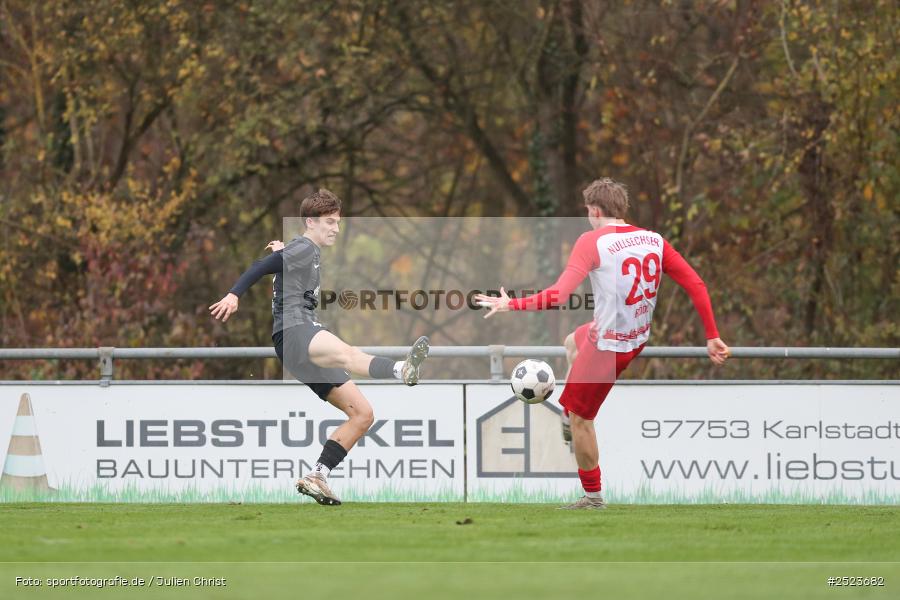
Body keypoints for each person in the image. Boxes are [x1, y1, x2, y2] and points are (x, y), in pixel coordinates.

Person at [475, 178, 729, 510]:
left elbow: (558, 295)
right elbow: (695, 283)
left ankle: (592, 496)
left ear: (594, 210)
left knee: (582, 419)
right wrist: (712, 335)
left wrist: (513, 304)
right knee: (572, 341)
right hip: (633, 337)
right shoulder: (653, 240)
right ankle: (570, 413)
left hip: (609, 346)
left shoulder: (592, 241)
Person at [209, 188, 429, 506]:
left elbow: (281, 264)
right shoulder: (304, 247)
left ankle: (318, 475)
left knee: (362, 414)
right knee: (348, 353)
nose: (335, 229)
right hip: (297, 331)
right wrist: (234, 294)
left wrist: (283, 250)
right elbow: (261, 265)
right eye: (329, 222)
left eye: (337, 222)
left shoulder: (302, 250)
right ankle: (401, 369)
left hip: (292, 346)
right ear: (310, 222)